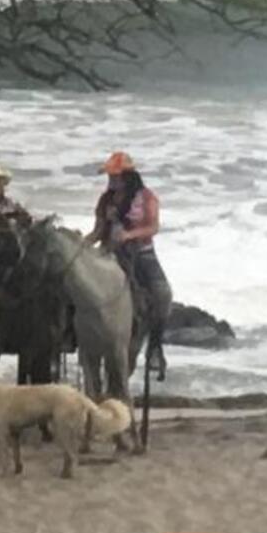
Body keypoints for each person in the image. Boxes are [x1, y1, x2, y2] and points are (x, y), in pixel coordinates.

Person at [85, 151, 173, 379]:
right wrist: (83, 244)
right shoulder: (106, 199)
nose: (111, 181)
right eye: (110, 177)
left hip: (141, 254)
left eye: (115, 176)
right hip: (109, 252)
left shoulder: (146, 197)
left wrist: (129, 235)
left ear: (128, 176)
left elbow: (153, 227)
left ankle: (155, 346)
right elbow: (98, 230)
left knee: (163, 294)